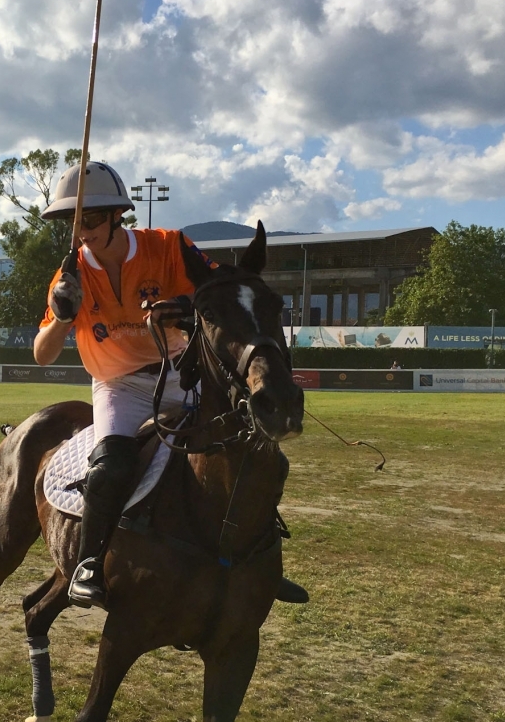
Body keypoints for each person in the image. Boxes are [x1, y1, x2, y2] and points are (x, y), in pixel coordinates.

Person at [34, 161, 308, 610]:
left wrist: (179, 307)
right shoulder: (69, 278)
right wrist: (63, 317)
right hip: (118, 384)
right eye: (74, 221)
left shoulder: (168, 246)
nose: (81, 231)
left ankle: (260, 554)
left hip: (181, 370)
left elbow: (214, 290)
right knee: (111, 464)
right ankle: (87, 563)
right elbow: (42, 355)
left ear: (117, 215)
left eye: (91, 219)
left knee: (256, 452)